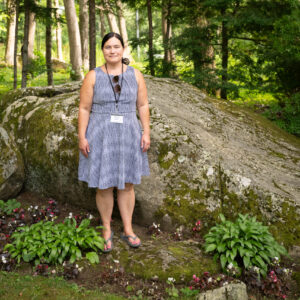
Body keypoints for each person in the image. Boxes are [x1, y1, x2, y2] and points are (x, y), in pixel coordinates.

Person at [77, 32, 150, 252]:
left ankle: (128, 229)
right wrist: (82, 136)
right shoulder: (93, 76)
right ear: (102, 50)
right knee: (104, 183)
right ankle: (107, 228)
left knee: (128, 184)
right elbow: (84, 108)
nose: (112, 51)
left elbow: (143, 105)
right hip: (100, 134)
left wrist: (146, 132)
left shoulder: (136, 75)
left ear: (123, 49)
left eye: (116, 46)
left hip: (129, 133)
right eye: (108, 47)